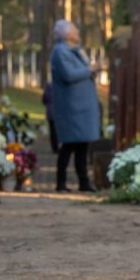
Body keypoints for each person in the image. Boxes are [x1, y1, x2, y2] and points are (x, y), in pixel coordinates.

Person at [50, 19, 100, 193]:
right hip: (72, 108)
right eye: (74, 30)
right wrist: (90, 70)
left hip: (82, 107)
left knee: (82, 146)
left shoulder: (74, 51)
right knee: (69, 145)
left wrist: (84, 57)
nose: (78, 32)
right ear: (67, 34)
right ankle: (61, 183)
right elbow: (69, 75)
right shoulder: (60, 52)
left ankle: (84, 182)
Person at [42, 81, 59, 154]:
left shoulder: (49, 86)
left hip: (51, 112)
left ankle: (55, 147)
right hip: (60, 112)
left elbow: (44, 99)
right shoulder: (61, 84)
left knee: (53, 131)